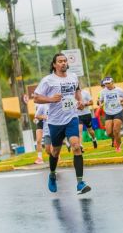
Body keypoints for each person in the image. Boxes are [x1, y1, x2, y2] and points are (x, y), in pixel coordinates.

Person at [34, 53, 91, 195]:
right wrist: (50, 99)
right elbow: (35, 98)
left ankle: (80, 183)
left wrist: (80, 102)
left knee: (76, 146)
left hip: (71, 117)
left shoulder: (73, 77)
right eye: (60, 61)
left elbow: (77, 92)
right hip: (55, 122)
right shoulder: (48, 80)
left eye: (65, 61)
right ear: (54, 64)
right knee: (55, 151)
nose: (63, 63)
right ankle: (52, 174)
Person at [99, 77, 123, 152]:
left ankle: (118, 147)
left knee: (116, 130)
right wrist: (100, 104)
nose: (107, 85)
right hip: (108, 112)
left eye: (108, 83)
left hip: (118, 111)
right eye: (105, 84)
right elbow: (100, 100)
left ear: (112, 82)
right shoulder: (103, 91)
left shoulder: (119, 90)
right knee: (108, 133)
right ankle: (117, 138)